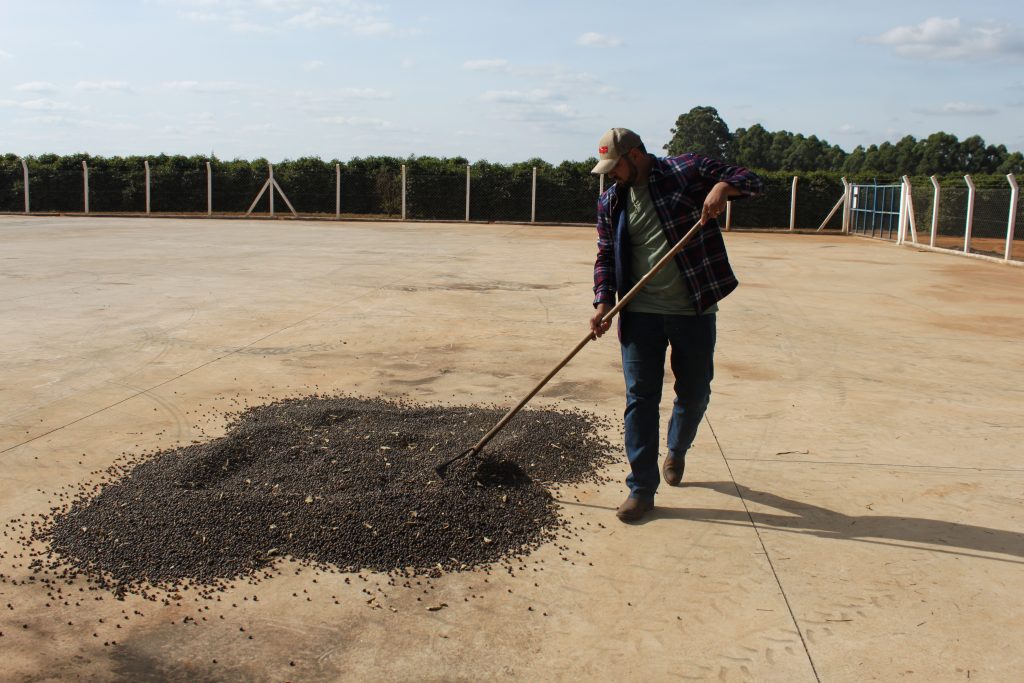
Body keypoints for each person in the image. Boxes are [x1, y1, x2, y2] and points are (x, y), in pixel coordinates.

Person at [588, 128, 764, 522]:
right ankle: (641, 489)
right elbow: (605, 254)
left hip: (693, 311)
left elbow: (752, 181)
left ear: (635, 155)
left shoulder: (686, 170)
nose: (611, 175)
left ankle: (677, 449)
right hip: (640, 314)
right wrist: (603, 302)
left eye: (615, 166)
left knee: (695, 392)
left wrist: (721, 187)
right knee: (640, 400)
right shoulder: (611, 200)